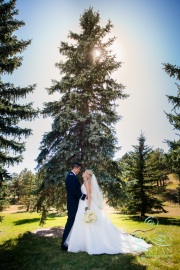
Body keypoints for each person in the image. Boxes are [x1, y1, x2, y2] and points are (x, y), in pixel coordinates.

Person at [64, 169, 152, 255]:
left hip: (86, 205)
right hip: (82, 204)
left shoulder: (87, 182)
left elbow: (89, 196)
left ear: (87, 175)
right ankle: (84, 243)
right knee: (83, 223)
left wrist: (88, 207)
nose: (82, 173)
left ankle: (89, 243)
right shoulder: (85, 182)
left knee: (88, 224)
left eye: (84, 172)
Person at [61, 162, 86, 251]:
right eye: (79, 169)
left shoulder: (73, 176)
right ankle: (64, 244)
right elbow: (73, 190)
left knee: (73, 222)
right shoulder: (70, 176)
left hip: (75, 203)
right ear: (75, 168)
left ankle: (71, 241)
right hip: (72, 204)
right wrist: (82, 196)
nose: (79, 171)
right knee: (70, 221)